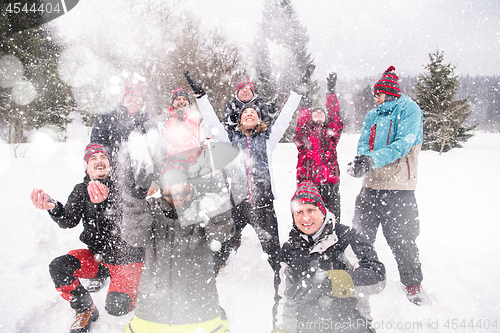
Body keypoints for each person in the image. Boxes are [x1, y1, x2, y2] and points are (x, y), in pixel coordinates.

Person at [184, 67, 312, 283]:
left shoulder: (268, 140)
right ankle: (208, 284)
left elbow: (286, 115)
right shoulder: (230, 140)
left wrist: (297, 91)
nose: (249, 113)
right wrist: (201, 96)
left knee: (274, 255)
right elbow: (212, 119)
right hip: (237, 205)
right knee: (221, 249)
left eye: (253, 112)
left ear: (258, 118)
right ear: (240, 120)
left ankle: (282, 286)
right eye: (245, 113)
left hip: (263, 206)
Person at [30, 143, 144, 333]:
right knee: (59, 267)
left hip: (126, 260)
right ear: (86, 168)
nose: (99, 160)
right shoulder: (81, 190)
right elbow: (68, 220)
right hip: (98, 259)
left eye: (103, 157)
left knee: (117, 307)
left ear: (110, 164)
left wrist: (105, 204)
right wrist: (54, 208)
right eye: (93, 159)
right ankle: (85, 308)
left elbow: (134, 224)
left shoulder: (125, 187)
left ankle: (138, 287)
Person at [120, 157, 234, 332]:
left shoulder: (202, 208)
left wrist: (216, 198)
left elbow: (221, 234)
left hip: (199, 309)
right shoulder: (151, 208)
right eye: (170, 185)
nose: (177, 193)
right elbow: (134, 237)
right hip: (152, 309)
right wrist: (134, 199)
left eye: (183, 185)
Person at [347, 66, 424, 305]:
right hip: (371, 187)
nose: (375, 99)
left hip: (399, 188)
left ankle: (412, 283)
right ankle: (357, 278)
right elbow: (363, 145)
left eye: (378, 94)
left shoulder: (409, 109)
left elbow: (403, 144)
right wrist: (361, 161)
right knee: (359, 236)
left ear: (389, 93)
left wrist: (373, 159)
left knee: (403, 240)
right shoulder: (373, 115)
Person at [272, 181, 386, 333]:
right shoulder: (289, 250)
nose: (305, 218)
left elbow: (377, 277)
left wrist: (328, 282)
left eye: (311, 210)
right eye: (299, 212)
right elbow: (283, 297)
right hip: (306, 325)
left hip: (349, 321)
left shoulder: (345, 237)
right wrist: (282, 328)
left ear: (323, 211)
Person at [294, 72, 344, 224]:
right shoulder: (304, 135)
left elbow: (335, 118)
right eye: (315, 112)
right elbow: (301, 125)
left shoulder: (331, 136)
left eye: (322, 112)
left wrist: (331, 93)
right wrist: (305, 107)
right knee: (308, 219)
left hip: (330, 183)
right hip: (308, 184)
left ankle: (334, 244)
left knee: (332, 219)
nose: (319, 113)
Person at [90, 80, 149, 160]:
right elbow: (95, 152)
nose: (134, 99)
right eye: (130, 95)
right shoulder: (105, 119)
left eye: (139, 96)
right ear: (123, 98)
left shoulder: (147, 124)